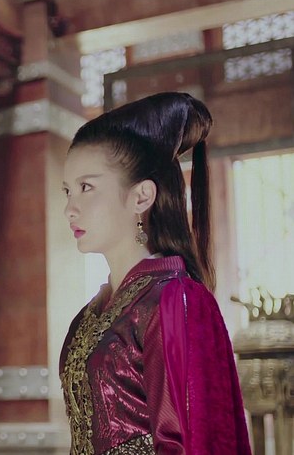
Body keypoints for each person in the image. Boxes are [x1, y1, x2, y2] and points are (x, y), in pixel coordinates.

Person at [59, 92, 251, 454]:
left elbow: (199, 440)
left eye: (86, 187)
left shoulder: (176, 300)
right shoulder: (88, 316)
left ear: (141, 197)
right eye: (67, 191)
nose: (70, 208)